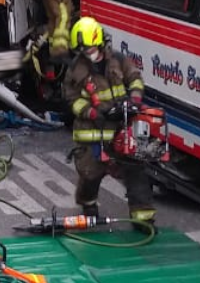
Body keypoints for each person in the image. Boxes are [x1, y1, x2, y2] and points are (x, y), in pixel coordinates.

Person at [63, 17, 155, 226]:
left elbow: (135, 78)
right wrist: (91, 113)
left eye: (91, 48)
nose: (89, 53)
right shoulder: (76, 71)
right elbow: (71, 99)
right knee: (90, 174)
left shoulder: (119, 60)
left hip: (122, 127)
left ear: (101, 43)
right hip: (92, 131)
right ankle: (88, 204)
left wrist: (135, 100)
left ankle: (144, 219)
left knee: (136, 171)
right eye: (83, 50)